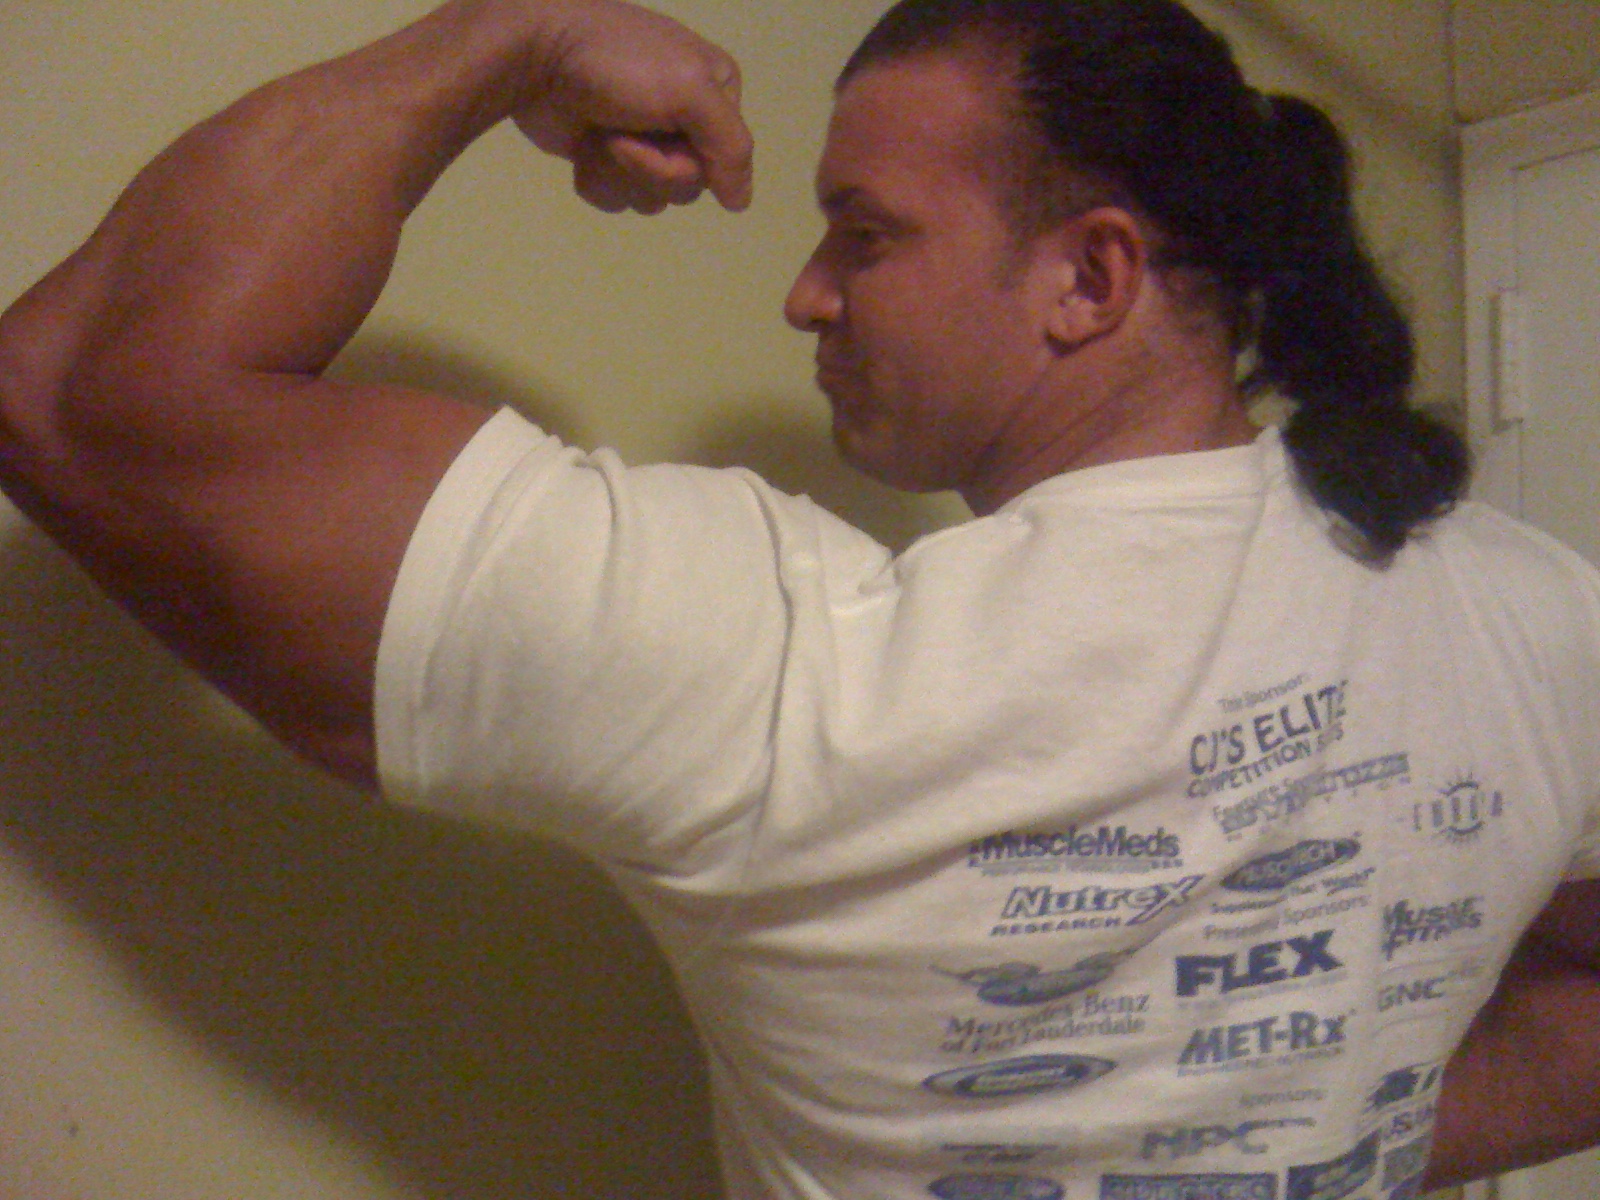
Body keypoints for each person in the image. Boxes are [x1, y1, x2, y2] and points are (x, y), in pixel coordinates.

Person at [1, 0, 1598, 1196]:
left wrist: (507, 36)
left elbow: (81, 393)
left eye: (862, 235)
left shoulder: (797, 676)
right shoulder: (1532, 617)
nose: (804, 295)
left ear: (1089, 278)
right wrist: (1334, 1121)